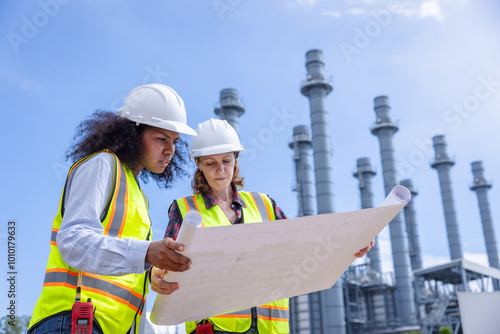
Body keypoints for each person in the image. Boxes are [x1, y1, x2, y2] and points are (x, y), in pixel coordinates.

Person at [153, 118, 374, 334]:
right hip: (215, 328)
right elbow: (164, 262)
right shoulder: (184, 209)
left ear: (236, 160)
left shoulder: (264, 204)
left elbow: (306, 249)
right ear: (199, 164)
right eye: (211, 163)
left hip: (271, 327)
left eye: (227, 161)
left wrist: (351, 246)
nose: (220, 169)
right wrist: (157, 274)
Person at [29, 84, 196, 334]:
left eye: (174, 141)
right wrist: (148, 253)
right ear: (130, 134)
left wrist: (152, 276)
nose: (170, 150)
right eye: (161, 138)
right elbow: (73, 241)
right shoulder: (102, 165)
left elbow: (124, 261)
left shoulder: (137, 192)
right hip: (76, 320)